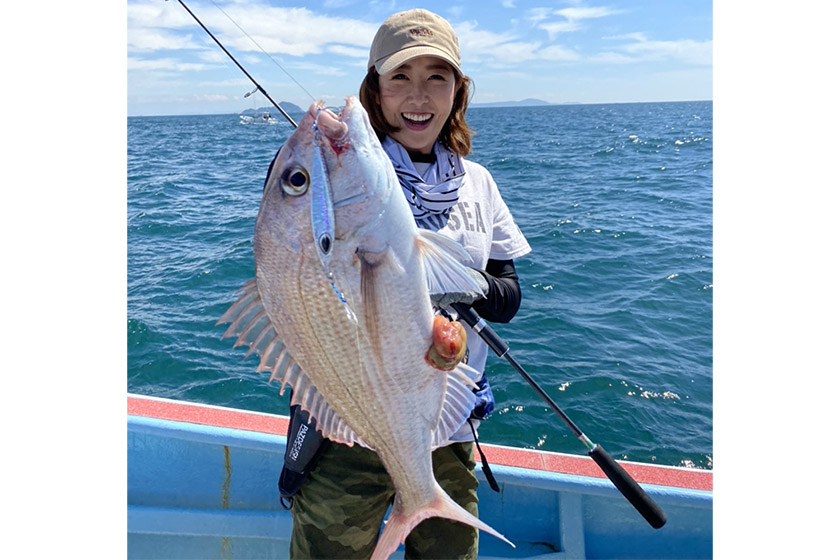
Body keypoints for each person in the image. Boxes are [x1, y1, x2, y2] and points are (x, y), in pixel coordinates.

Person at [284, 8, 531, 559]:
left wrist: (451, 296)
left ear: (458, 91)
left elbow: (508, 296)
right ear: (374, 90)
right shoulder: (338, 173)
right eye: (400, 77)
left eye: (436, 77)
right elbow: (294, 268)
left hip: (445, 426)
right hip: (347, 422)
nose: (418, 96)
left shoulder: (478, 184)